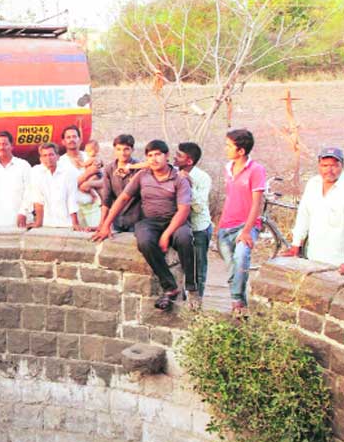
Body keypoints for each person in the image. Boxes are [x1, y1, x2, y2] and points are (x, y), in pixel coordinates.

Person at [93, 140, 193, 312]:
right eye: (150, 155)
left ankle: (191, 287)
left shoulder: (179, 178)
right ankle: (170, 286)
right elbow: (122, 199)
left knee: (185, 238)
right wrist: (106, 225)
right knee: (144, 241)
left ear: (166, 156)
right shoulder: (142, 175)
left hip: (175, 220)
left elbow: (184, 210)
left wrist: (166, 234)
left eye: (158, 155)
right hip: (150, 221)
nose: (154, 159)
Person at [217, 129, 266, 313]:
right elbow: (229, 198)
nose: (226, 149)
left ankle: (237, 301)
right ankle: (240, 306)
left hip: (245, 225)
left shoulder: (256, 170)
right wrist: (220, 225)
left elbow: (256, 203)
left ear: (241, 151)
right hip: (226, 225)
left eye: (229, 146)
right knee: (232, 269)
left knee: (241, 257)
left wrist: (247, 230)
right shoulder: (228, 168)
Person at [282, 146, 344, 274]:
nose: (329, 170)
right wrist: (296, 244)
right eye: (325, 165)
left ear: (342, 166)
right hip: (313, 257)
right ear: (319, 166)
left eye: (334, 166)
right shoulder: (313, 184)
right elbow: (304, 215)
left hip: (340, 261)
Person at [174, 142, 212, 308]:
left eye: (179, 155)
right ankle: (182, 299)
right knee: (181, 264)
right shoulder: (174, 172)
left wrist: (188, 184)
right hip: (180, 227)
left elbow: (198, 206)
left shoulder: (203, 178)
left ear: (189, 161)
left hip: (198, 228)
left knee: (198, 267)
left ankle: (197, 303)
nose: (175, 158)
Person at [0, 131, 32, 227]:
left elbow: (30, 191)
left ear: (12, 146)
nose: (1, 147)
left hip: (21, 221)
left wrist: (23, 212)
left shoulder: (23, 165)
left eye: (5, 144)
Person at [58, 125, 102, 228]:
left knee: (98, 239)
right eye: (68, 137)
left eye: (74, 136)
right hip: (74, 210)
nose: (71, 140)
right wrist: (88, 173)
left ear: (80, 140)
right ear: (63, 142)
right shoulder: (60, 163)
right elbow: (65, 188)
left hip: (93, 206)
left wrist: (88, 183)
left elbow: (103, 181)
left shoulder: (90, 156)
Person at [28, 142, 80, 229]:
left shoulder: (68, 171)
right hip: (47, 223)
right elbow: (38, 199)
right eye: (44, 155)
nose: (48, 158)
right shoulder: (36, 172)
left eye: (51, 154)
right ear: (40, 158)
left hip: (67, 223)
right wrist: (38, 223)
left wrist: (75, 223)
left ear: (58, 156)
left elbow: (72, 198)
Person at [100, 134, 142, 233]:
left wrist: (131, 167)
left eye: (126, 149)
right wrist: (102, 223)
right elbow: (106, 198)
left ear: (132, 149)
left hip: (137, 220)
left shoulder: (140, 168)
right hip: (117, 220)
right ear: (114, 150)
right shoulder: (109, 169)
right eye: (118, 149)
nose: (122, 153)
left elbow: (154, 164)